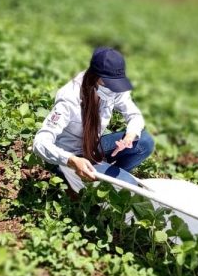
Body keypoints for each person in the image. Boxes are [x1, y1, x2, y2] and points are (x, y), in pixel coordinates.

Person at [33, 47, 155, 193]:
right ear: (94, 76)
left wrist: (129, 136)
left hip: (92, 147)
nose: (114, 89)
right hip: (70, 155)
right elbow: (40, 142)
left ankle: (105, 183)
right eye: (108, 83)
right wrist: (71, 160)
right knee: (128, 185)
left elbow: (135, 115)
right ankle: (93, 181)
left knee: (145, 142)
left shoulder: (115, 89)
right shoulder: (69, 98)